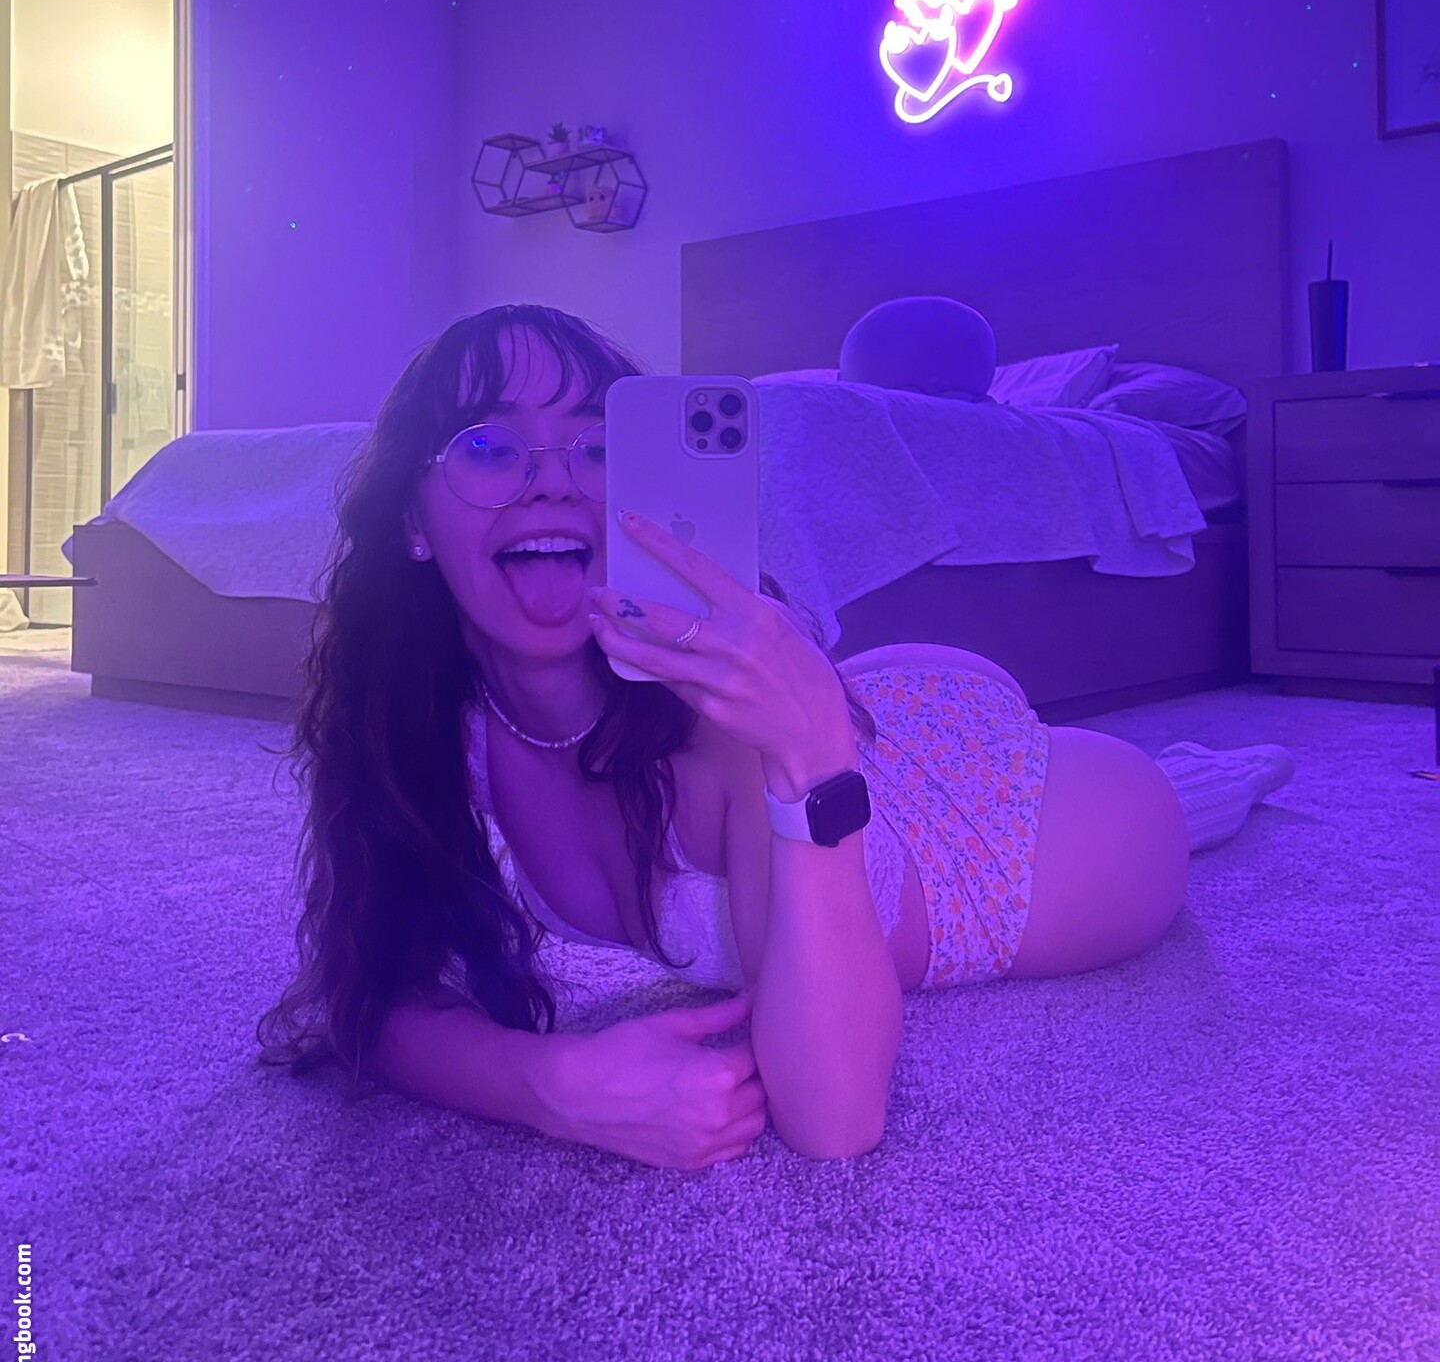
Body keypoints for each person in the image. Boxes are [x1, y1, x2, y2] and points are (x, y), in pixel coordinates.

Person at [257, 305, 1292, 1170]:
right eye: (488, 445)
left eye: (598, 445)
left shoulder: (721, 727)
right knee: (842, 732)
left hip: (1012, 822)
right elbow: (367, 998)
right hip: (877, 715)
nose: (552, 479)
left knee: (1171, 807)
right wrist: (552, 1084)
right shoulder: (431, 721)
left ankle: (1208, 781)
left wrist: (807, 755)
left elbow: (834, 1120)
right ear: (413, 522)